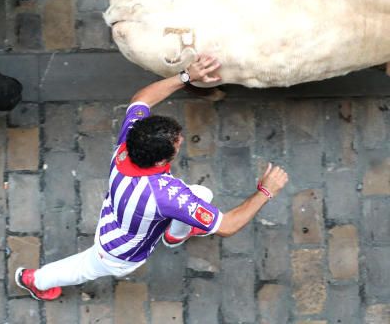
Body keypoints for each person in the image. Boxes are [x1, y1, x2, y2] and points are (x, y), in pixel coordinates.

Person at [15, 54, 289, 301]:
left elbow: (141, 99)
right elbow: (227, 225)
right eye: (178, 144)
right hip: (119, 253)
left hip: (123, 213)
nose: (181, 141)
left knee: (200, 196)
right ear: (160, 161)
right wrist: (265, 191)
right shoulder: (165, 195)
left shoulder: (128, 144)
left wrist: (186, 77)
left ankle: (174, 236)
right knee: (83, 268)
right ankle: (34, 280)